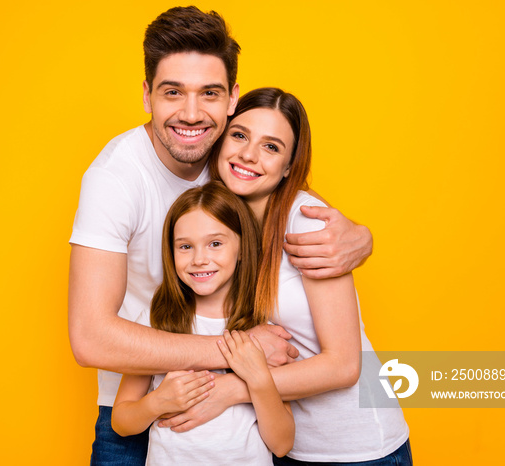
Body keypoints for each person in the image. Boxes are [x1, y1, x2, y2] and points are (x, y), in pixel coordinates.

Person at [68, 7, 373, 465]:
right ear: (148, 95)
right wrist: (237, 354)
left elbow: (283, 184)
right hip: (148, 405)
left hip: (249, 423)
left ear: (231, 98)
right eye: (173, 92)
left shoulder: (226, 160)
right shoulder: (116, 178)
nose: (192, 114)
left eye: (209, 93)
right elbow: (90, 338)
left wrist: (360, 236)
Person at [200, 87, 411, 465]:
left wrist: (234, 387)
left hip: (358, 450)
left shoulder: (306, 221)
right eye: (240, 135)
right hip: (283, 444)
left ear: (288, 166)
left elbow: (344, 366)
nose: (248, 154)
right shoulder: (218, 220)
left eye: (271, 147)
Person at [111, 181, 294, 465]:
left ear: (243, 248)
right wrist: (158, 402)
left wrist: (258, 378)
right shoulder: (156, 320)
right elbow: (121, 421)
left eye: (215, 243)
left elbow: (282, 444)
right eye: (185, 246)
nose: (199, 259)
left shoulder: (262, 329)